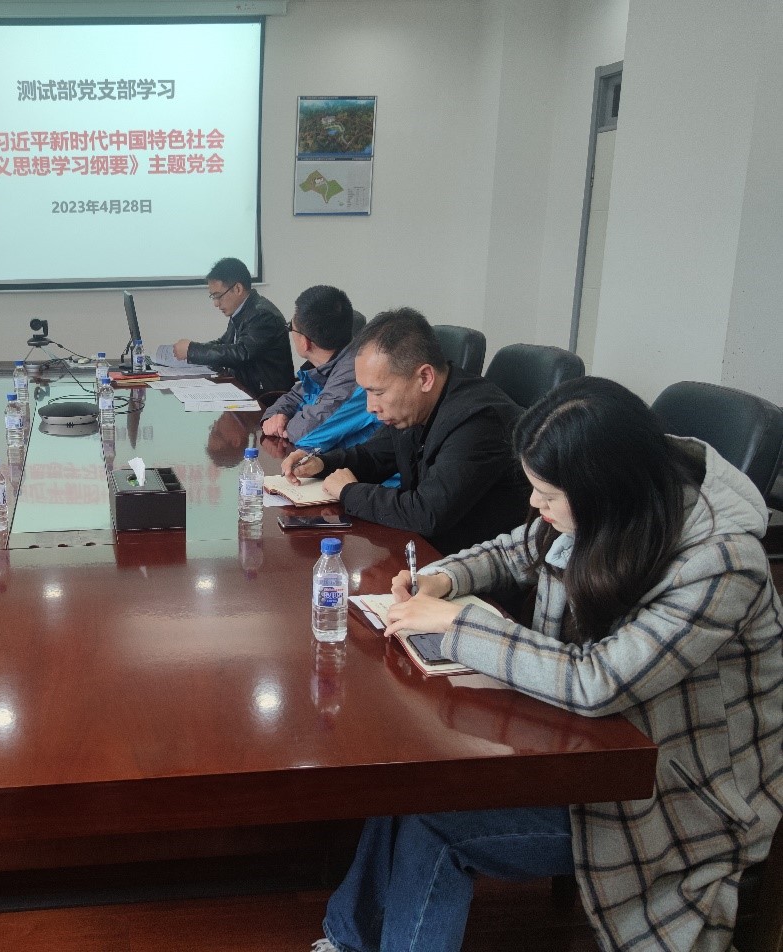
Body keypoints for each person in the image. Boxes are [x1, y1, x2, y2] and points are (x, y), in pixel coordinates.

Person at [314, 377, 783, 952]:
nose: (536, 506)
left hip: (674, 788)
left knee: (437, 823)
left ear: (605, 489)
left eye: (548, 495)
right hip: (597, 744)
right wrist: (444, 578)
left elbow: (597, 680)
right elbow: (517, 547)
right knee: (411, 777)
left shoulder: (722, 563)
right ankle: (350, 939)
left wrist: (456, 626)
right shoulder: (615, 502)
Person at [282, 307, 527, 554]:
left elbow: (428, 513)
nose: (370, 406)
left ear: (425, 378)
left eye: (378, 392)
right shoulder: (415, 408)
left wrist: (349, 492)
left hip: (469, 562)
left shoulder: (479, 421)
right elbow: (374, 456)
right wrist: (321, 463)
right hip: (425, 548)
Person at [260, 285, 382, 452]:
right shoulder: (329, 364)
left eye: (290, 327)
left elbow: (307, 433)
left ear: (305, 342)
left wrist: (283, 424)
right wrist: (276, 415)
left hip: (362, 467)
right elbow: (295, 396)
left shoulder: (356, 373)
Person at [172, 257, 294, 398]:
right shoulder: (242, 310)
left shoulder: (262, 315)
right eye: (213, 297)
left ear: (237, 289)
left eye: (218, 296)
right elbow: (225, 343)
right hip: (245, 388)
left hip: (267, 398)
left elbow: (241, 353)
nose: (216, 304)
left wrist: (193, 350)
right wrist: (191, 351)